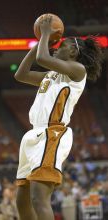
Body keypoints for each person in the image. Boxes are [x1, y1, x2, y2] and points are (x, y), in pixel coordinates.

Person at [14, 15, 103, 220]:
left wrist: (45, 35)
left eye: (62, 45)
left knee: (39, 197)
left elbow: (43, 59)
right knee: (22, 199)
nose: (56, 47)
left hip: (53, 133)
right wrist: (39, 43)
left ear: (73, 51)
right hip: (33, 134)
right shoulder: (50, 76)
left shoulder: (77, 71)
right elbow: (21, 74)